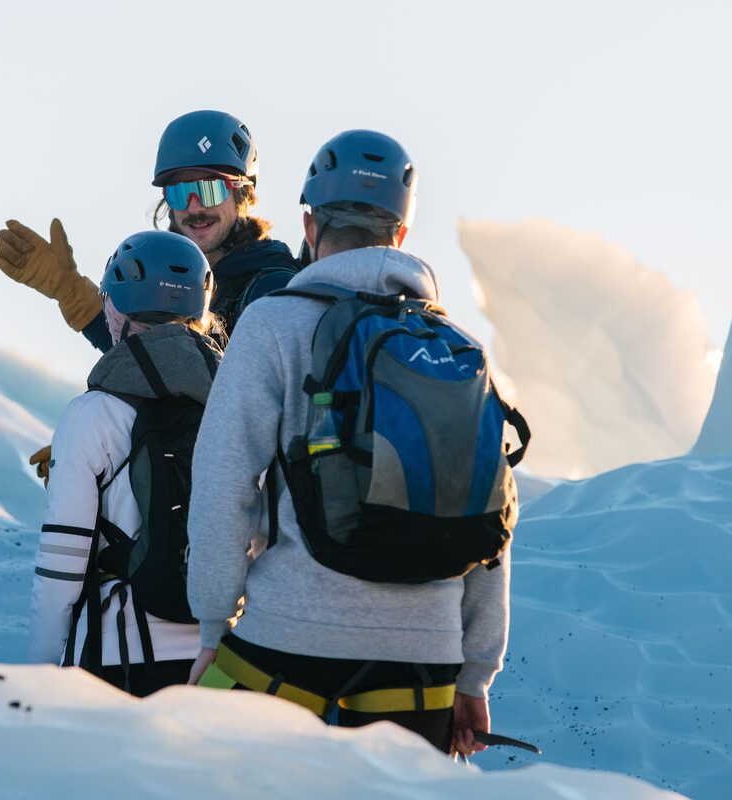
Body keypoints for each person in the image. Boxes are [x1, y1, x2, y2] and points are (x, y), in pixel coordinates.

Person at [184, 130, 513, 758]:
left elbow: (225, 482)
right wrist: (474, 673)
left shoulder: (274, 321)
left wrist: (212, 625)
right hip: (423, 660)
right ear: (402, 235)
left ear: (310, 225)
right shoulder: (459, 348)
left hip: (289, 636)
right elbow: (493, 517)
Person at [28, 230, 222, 697]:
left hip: (119, 659)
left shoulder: (92, 414)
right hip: (220, 662)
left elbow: (62, 565)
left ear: (113, 311)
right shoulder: (236, 403)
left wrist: (35, 675)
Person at [0, 110, 299, 352]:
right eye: (180, 193)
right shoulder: (171, 281)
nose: (194, 208)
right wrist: (69, 291)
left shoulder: (271, 288)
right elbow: (144, 360)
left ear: (242, 194)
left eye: (208, 191)